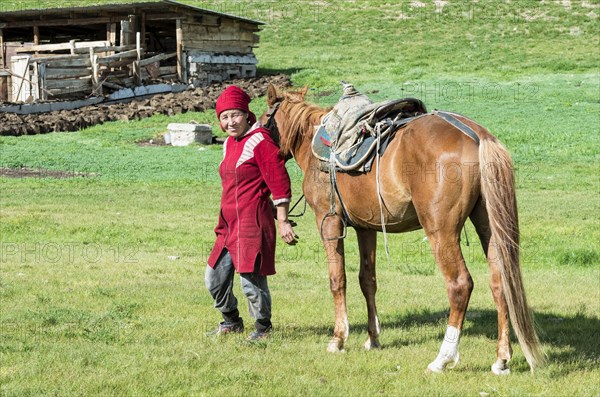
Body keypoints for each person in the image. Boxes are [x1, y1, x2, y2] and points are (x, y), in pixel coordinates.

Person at [205, 85, 298, 341]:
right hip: (228, 224)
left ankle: (263, 329)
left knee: (251, 282)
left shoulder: (260, 140)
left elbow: (278, 181)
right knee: (214, 277)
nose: (230, 121)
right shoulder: (228, 144)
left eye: (235, 115)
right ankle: (231, 321)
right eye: (224, 117)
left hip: (252, 223)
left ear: (247, 114)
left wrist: (282, 221)